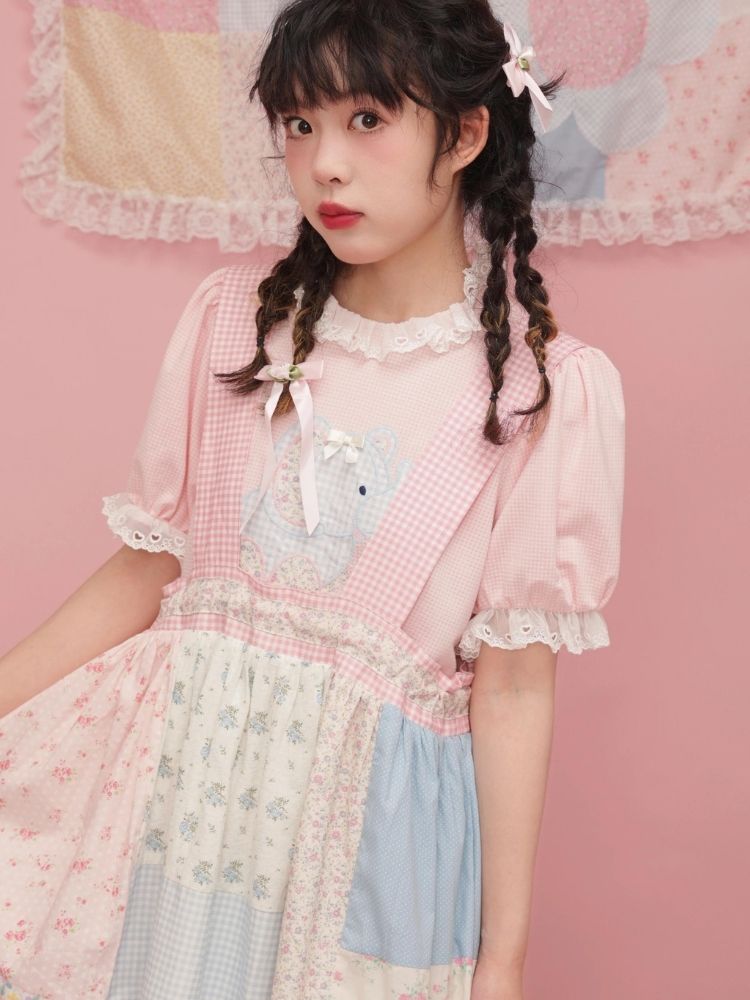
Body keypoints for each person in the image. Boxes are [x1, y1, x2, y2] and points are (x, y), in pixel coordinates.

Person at [0, 1, 625, 998]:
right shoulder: (232, 325)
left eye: (367, 120)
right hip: (184, 815)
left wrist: (502, 960)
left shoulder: (536, 392)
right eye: (299, 123)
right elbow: (147, 567)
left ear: (465, 133)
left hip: (366, 853)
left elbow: (512, 686)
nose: (325, 163)